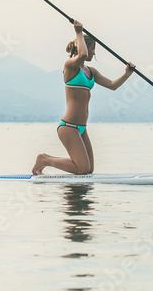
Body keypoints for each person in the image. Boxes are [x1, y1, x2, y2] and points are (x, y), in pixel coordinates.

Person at [32, 20, 135, 175]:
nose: (93, 53)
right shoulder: (70, 66)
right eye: (93, 49)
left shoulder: (91, 71)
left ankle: (48, 161)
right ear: (85, 47)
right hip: (68, 126)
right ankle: (44, 159)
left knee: (88, 170)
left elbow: (113, 86)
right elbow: (83, 54)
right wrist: (78, 32)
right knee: (82, 169)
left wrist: (126, 75)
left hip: (81, 128)